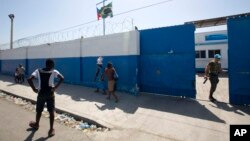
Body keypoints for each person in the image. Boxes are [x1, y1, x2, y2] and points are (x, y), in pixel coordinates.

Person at [27, 59, 64, 137]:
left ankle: (36, 124)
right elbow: (62, 78)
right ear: (51, 65)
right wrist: (55, 87)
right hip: (50, 94)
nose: (53, 66)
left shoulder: (38, 70)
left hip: (41, 94)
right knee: (51, 111)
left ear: (46, 64)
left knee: (39, 110)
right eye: (53, 64)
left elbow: (29, 79)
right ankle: (51, 130)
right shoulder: (54, 71)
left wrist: (34, 89)